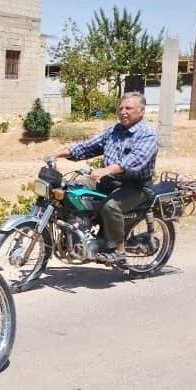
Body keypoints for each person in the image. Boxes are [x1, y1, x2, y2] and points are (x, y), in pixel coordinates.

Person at [49, 92, 158, 265]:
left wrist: (106, 170)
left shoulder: (147, 134)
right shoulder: (113, 130)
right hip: (108, 181)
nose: (123, 112)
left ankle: (118, 250)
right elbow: (88, 146)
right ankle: (77, 234)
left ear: (141, 111)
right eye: (120, 108)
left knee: (110, 206)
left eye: (128, 108)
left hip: (136, 186)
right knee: (71, 189)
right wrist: (57, 154)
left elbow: (134, 161)